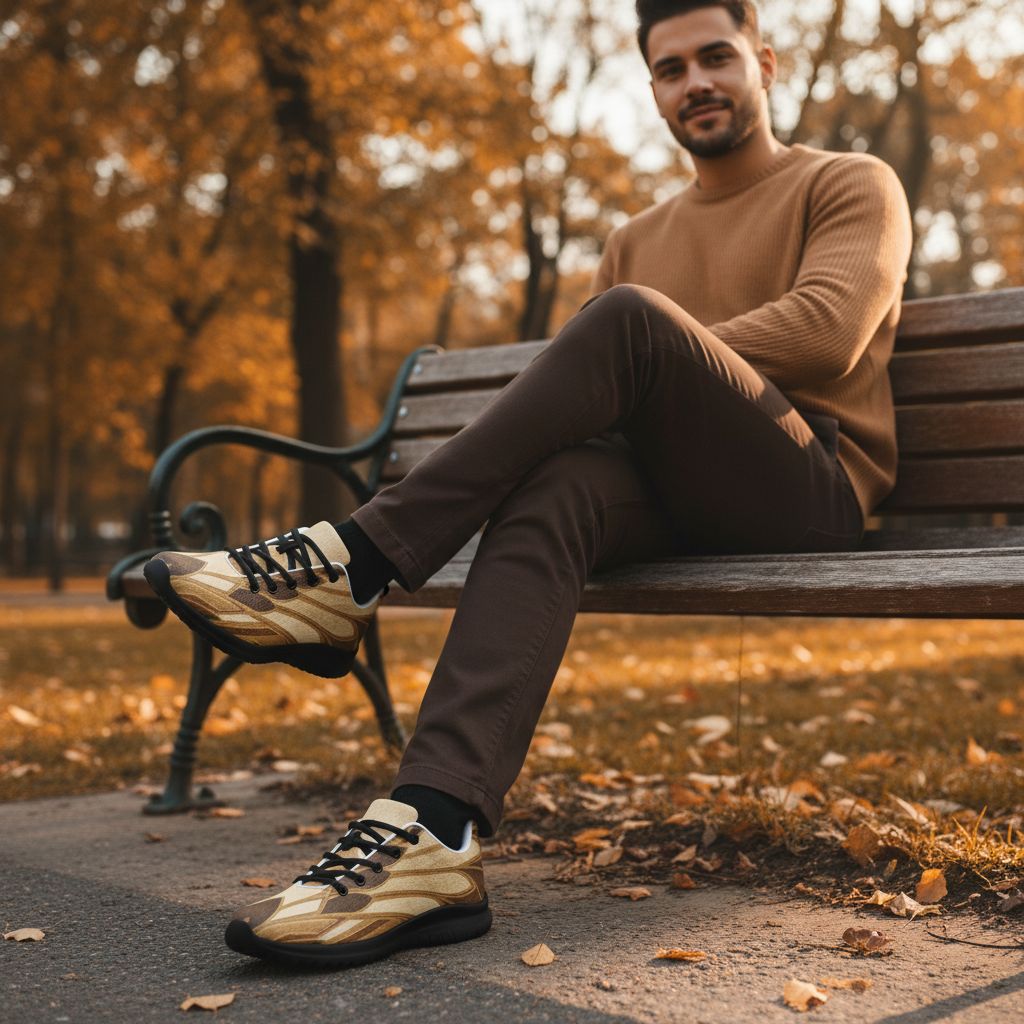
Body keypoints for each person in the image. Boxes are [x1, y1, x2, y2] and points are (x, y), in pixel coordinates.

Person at [144, 0, 912, 968]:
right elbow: (595, 402)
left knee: (629, 325)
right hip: (671, 495)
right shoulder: (637, 237)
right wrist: (638, 369)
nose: (696, 82)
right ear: (654, 91)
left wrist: (656, 357)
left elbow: (825, 331)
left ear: (763, 61)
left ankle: (354, 564)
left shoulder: (850, 184)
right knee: (557, 486)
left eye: (716, 57)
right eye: (671, 70)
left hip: (808, 485)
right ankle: (433, 834)